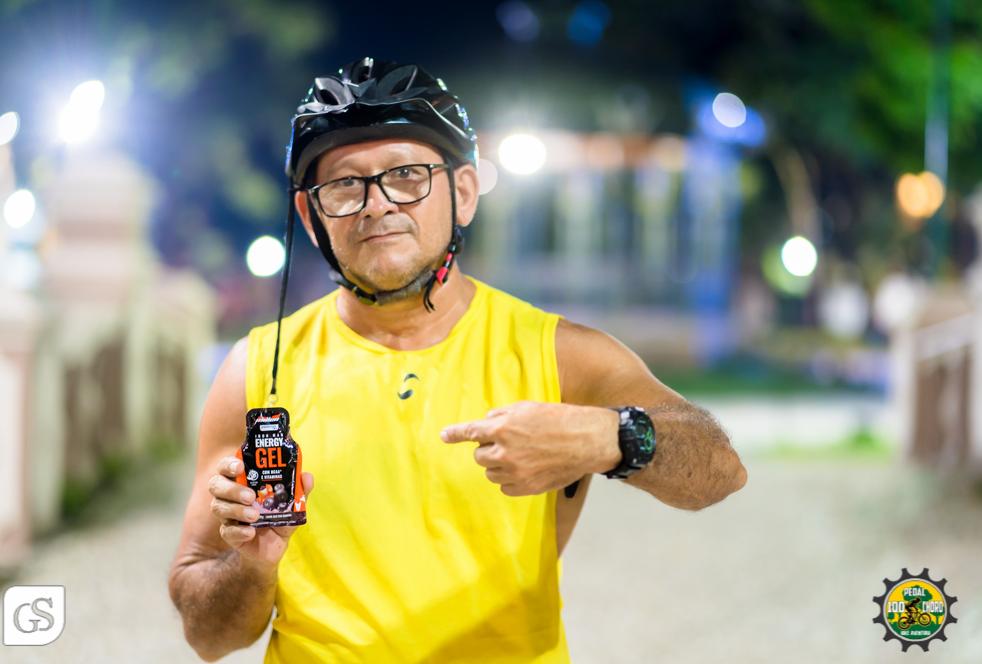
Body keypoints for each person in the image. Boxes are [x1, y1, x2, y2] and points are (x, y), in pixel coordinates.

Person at [168, 57, 747, 663]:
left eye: (407, 175)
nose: (377, 204)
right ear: (311, 218)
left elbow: (718, 469)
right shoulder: (256, 368)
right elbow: (208, 637)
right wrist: (253, 567)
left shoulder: (559, 354)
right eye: (344, 185)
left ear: (463, 193)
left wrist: (613, 435)